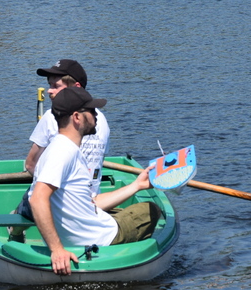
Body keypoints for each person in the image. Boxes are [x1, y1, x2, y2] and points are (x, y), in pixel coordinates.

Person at [25, 87, 163, 275]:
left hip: (84, 233)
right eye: (90, 110)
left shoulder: (60, 148)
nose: (96, 114)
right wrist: (57, 251)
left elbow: (91, 202)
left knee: (116, 210)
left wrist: (137, 185)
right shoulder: (63, 152)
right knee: (150, 210)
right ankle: (122, 260)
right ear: (77, 117)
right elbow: (37, 198)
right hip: (99, 238)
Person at [25, 59, 110, 186]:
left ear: (76, 87)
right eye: (50, 85)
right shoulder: (100, 118)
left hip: (56, 200)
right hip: (92, 198)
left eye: (56, 86)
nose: (49, 90)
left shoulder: (51, 116)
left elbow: (31, 164)